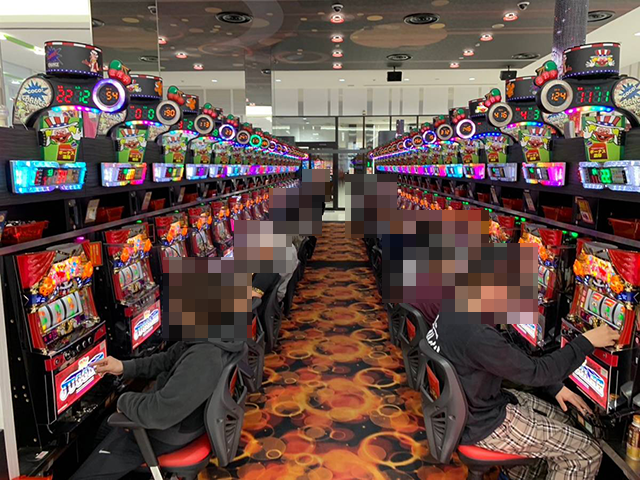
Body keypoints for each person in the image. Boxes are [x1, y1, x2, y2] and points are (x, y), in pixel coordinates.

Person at [426, 315, 618, 480]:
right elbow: (536, 372)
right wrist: (586, 342)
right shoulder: (477, 334)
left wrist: (555, 387)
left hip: (468, 408)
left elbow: (508, 353)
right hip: (484, 424)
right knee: (586, 452)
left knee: (566, 421)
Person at [71, 339, 244, 480]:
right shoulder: (211, 336)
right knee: (104, 428)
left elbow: (159, 413)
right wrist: (124, 366)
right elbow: (167, 359)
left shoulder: (205, 356)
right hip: (183, 416)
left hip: (166, 430)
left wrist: (123, 400)